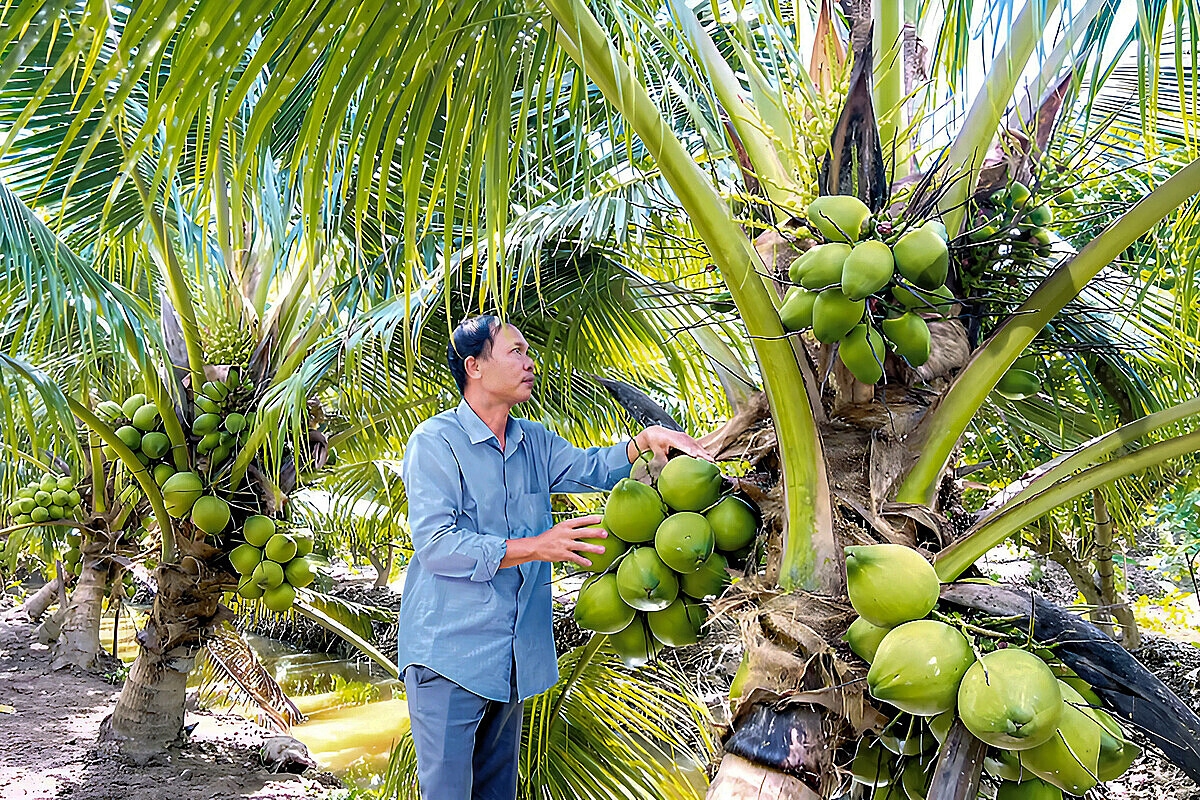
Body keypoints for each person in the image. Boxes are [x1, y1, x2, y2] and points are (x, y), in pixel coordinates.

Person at [397, 315, 711, 800]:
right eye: (516, 352)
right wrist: (535, 547)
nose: (530, 362)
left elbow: (593, 468)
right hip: (449, 656)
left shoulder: (533, 441)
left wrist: (643, 444)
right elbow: (438, 545)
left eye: (527, 351)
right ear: (474, 367)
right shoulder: (434, 444)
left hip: (513, 657)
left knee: (497, 792)